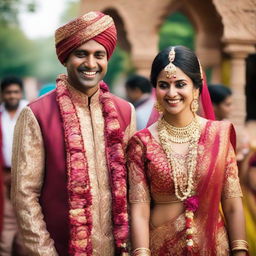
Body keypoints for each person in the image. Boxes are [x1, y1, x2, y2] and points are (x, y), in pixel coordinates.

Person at [11, 11, 136, 256]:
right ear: (66, 58)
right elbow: (25, 196)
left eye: (99, 55)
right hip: (61, 249)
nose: (91, 64)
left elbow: (134, 187)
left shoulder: (125, 112)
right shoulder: (36, 114)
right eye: (81, 54)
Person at [127, 46, 248, 255]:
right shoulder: (142, 142)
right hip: (160, 247)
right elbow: (139, 210)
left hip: (213, 246)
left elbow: (232, 205)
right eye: (163, 85)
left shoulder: (218, 135)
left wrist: (239, 251)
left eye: (180, 84)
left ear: (196, 88)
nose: (172, 93)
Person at [0, 76, 28, 256]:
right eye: (8, 92)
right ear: (2, 94)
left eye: (15, 92)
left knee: (25, 215)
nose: (12, 96)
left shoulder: (29, 112)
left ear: (21, 93)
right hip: (3, 174)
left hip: (25, 174)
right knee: (6, 216)